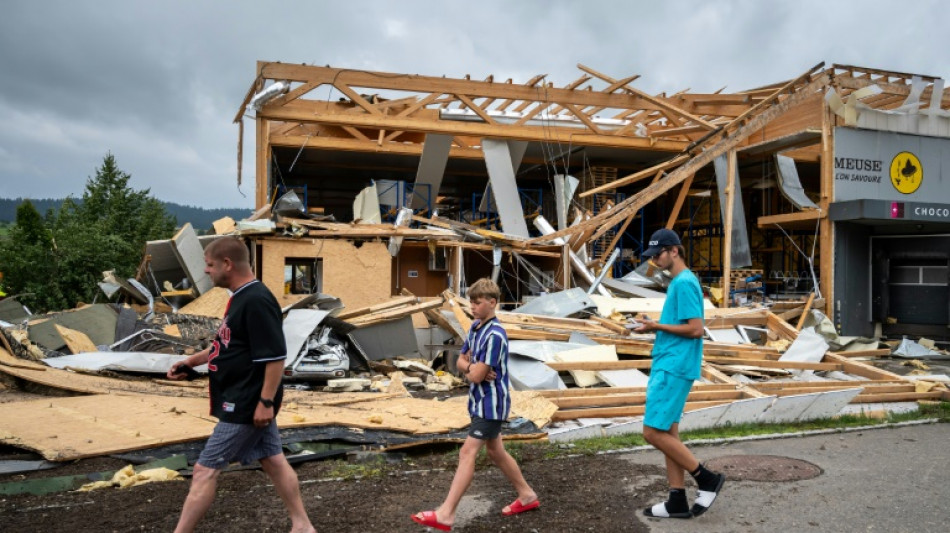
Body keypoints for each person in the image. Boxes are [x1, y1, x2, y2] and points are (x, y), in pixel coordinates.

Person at [167, 237, 315, 533]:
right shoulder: (239, 297)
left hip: (247, 402)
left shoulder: (256, 300)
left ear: (227, 264)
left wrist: (265, 403)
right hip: (246, 398)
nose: (206, 271)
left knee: (204, 470)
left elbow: (275, 358)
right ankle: (302, 526)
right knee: (273, 461)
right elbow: (226, 346)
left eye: (209, 265)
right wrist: (190, 362)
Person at [412, 278, 538, 531]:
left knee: (467, 452)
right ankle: (527, 495)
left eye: (478, 302)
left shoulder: (495, 335)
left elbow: (476, 376)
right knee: (495, 452)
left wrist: (471, 371)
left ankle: (446, 514)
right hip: (479, 401)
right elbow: (461, 362)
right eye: (471, 301)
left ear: (492, 303)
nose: (472, 306)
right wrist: (471, 367)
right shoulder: (476, 328)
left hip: (491, 404)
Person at [634, 228, 725, 519]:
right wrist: (653, 325)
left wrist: (655, 327)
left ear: (674, 250)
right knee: (667, 432)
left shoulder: (683, 283)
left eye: (658, 254)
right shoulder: (681, 282)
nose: (655, 260)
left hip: (673, 366)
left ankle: (707, 478)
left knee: (652, 432)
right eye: (652, 256)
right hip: (673, 363)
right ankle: (676, 499)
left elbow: (696, 329)